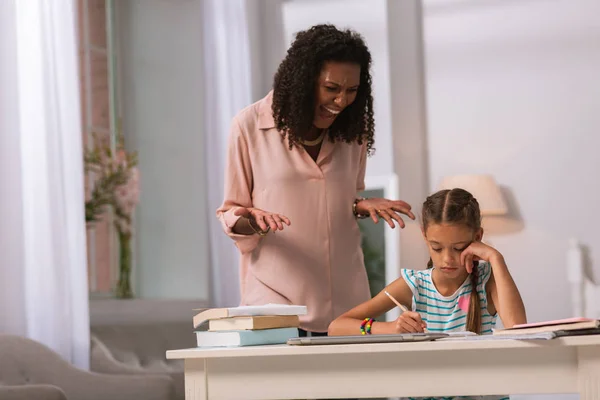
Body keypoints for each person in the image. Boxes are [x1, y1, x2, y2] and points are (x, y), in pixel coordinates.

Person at [216, 24, 415, 336]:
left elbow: (336, 201)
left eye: (352, 91)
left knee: (353, 386)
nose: (341, 101)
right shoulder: (248, 126)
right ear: (303, 80)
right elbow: (230, 213)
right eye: (331, 88)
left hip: (347, 307)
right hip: (276, 303)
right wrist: (253, 219)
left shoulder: (353, 132)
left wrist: (360, 205)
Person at [328, 188, 526, 399]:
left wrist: (496, 259)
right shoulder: (414, 284)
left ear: (477, 237)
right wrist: (391, 328)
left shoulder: (489, 280)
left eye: (459, 248)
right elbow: (336, 327)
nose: (447, 259)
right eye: (437, 248)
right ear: (424, 235)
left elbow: (518, 328)